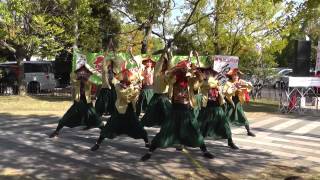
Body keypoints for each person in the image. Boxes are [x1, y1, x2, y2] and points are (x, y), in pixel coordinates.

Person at [141, 60, 214, 161]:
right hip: (175, 110)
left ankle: (205, 151)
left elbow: (199, 82)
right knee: (164, 131)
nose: (185, 70)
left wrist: (196, 72)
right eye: (183, 68)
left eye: (185, 68)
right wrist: (176, 69)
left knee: (195, 130)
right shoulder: (173, 79)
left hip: (187, 110)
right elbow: (167, 77)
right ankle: (150, 152)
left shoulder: (190, 80)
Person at [91, 68, 150, 151]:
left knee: (138, 126)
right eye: (124, 81)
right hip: (119, 111)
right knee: (108, 127)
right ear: (121, 80)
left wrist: (136, 89)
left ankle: (147, 142)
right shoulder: (118, 86)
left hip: (129, 111)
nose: (126, 83)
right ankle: (98, 144)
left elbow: (134, 98)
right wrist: (135, 89)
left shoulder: (131, 86)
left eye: (128, 81)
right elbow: (126, 97)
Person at [49, 63, 104, 138]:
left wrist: (95, 95)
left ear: (88, 75)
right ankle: (57, 131)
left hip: (87, 104)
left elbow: (100, 84)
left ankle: (104, 131)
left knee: (96, 118)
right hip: (77, 103)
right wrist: (78, 76)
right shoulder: (76, 82)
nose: (82, 75)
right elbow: (72, 78)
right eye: (80, 73)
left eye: (85, 73)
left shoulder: (89, 82)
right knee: (66, 117)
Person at [197, 67, 239, 149]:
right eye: (207, 73)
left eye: (210, 73)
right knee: (201, 126)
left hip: (217, 107)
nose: (208, 74)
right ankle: (198, 144)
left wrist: (233, 87)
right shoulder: (203, 82)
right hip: (207, 107)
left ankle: (230, 142)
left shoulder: (217, 82)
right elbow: (209, 85)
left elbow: (225, 92)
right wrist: (217, 82)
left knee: (225, 125)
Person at [140, 51, 173, 127]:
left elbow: (170, 77)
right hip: (156, 96)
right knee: (149, 115)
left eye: (165, 63)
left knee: (167, 115)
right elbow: (159, 62)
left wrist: (168, 54)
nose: (163, 64)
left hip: (164, 97)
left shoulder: (167, 74)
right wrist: (164, 52)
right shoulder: (156, 72)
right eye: (162, 63)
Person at [224, 68, 255, 137]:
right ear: (231, 76)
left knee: (242, 116)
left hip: (237, 102)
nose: (236, 76)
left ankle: (248, 131)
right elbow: (226, 93)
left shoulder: (240, 81)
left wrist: (246, 84)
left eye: (237, 75)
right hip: (230, 102)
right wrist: (234, 87)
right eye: (234, 75)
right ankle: (224, 131)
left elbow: (250, 86)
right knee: (226, 118)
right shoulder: (228, 83)